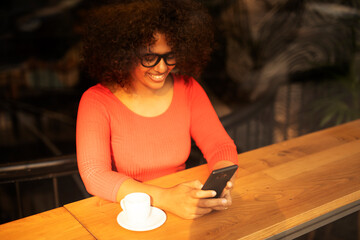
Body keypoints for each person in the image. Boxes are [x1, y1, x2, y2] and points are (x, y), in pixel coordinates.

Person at [76, 0, 238, 220]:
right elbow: (94, 175)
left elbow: (219, 146)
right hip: (129, 215)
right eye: (149, 58)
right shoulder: (97, 101)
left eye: (169, 56)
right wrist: (166, 198)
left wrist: (220, 186)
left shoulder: (188, 88)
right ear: (124, 54)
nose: (162, 68)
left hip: (183, 207)